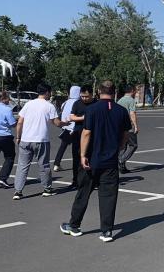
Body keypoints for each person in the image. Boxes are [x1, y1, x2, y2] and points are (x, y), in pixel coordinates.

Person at [60, 80, 131, 242]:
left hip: (92, 159)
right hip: (110, 161)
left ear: (99, 91)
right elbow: (126, 133)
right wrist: (120, 146)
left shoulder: (92, 109)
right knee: (109, 196)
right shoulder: (121, 111)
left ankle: (74, 225)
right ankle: (106, 231)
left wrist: (82, 155)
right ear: (114, 92)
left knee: (83, 192)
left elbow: (86, 133)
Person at [13, 84, 64, 200]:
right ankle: (47, 189)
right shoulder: (49, 106)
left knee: (22, 166)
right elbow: (56, 122)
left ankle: (18, 191)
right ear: (47, 92)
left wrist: (18, 137)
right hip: (41, 139)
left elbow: (20, 122)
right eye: (50, 92)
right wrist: (65, 123)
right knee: (44, 165)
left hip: (26, 139)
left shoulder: (28, 104)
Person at [68, 85, 96, 189]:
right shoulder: (77, 103)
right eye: (82, 96)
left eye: (86, 96)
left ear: (92, 95)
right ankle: (76, 180)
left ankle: (93, 180)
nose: (84, 98)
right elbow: (71, 117)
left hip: (92, 134)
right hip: (78, 134)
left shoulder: (96, 103)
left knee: (92, 157)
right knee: (77, 158)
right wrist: (83, 118)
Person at [53, 85, 80, 172]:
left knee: (63, 146)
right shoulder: (78, 103)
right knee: (77, 148)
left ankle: (56, 164)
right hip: (75, 128)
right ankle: (77, 166)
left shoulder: (65, 103)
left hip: (65, 126)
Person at [117, 84, 139, 173]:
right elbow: (132, 113)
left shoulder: (120, 100)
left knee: (123, 146)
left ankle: (122, 167)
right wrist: (135, 126)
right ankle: (121, 160)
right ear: (132, 91)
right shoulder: (131, 100)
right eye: (135, 91)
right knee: (133, 145)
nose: (135, 92)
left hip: (120, 126)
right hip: (128, 126)